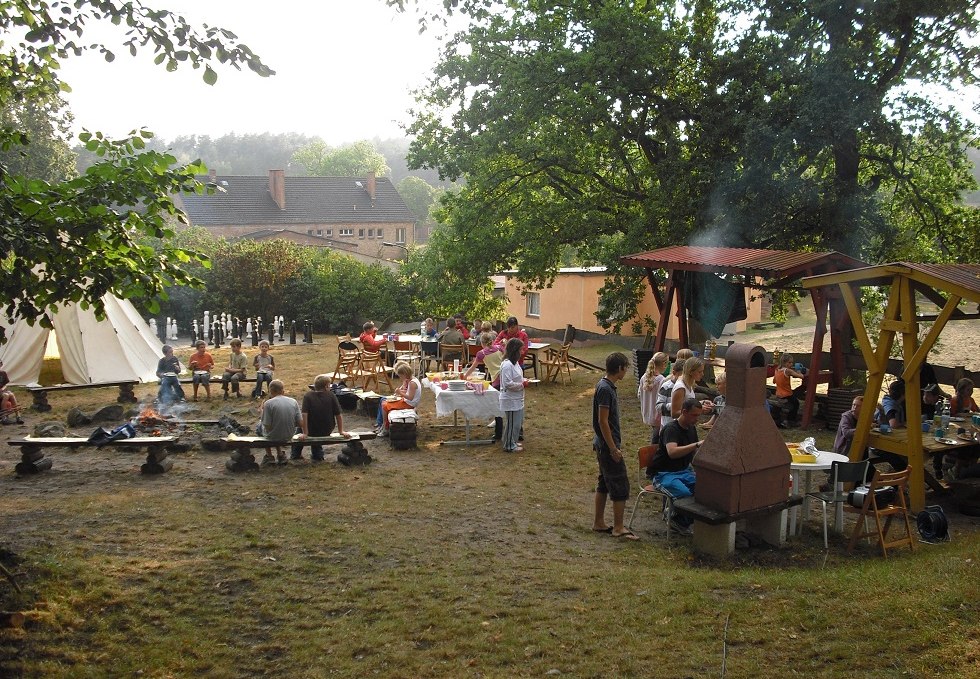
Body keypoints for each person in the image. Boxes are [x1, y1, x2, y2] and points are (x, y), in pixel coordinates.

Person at [591, 351, 638, 540]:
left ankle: (599, 523)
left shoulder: (606, 386)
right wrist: (612, 448)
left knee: (604, 483)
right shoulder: (605, 389)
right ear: (619, 368)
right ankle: (618, 527)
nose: (626, 371)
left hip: (604, 444)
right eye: (625, 368)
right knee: (620, 485)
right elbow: (603, 421)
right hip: (606, 446)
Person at [648, 397, 704, 535]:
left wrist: (700, 472)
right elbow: (672, 452)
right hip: (663, 474)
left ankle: (682, 519)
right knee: (684, 494)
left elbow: (694, 454)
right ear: (684, 412)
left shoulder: (691, 429)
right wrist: (695, 445)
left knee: (704, 489)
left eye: (699, 415)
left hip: (683, 471)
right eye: (694, 415)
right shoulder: (671, 429)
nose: (697, 419)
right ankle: (674, 518)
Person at [291, 374, 349, 461]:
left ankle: (296, 454)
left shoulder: (308, 396)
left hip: (311, 430)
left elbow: (304, 415)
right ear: (326, 386)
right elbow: (338, 415)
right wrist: (341, 431)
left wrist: (305, 433)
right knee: (317, 423)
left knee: (300, 429)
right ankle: (317, 455)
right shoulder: (331, 395)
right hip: (327, 429)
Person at [259, 379, 301, 465]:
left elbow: (267, 426)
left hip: (274, 436)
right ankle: (280, 454)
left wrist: (261, 413)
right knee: (276, 427)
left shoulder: (268, 403)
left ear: (270, 390)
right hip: (289, 435)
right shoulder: (293, 401)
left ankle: (269, 455)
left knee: (259, 426)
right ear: (283, 390)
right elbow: (300, 423)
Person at [375, 361, 422, 435]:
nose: (400, 378)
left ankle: (385, 427)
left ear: (404, 374)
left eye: (400, 376)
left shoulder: (412, 383)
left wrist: (400, 393)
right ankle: (383, 425)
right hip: (406, 401)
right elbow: (408, 392)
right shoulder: (411, 380)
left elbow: (410, 397)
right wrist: (400, 392)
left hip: (409, 404)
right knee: (385, 402)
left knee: (385, 405)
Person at [498, 337, 527, 453]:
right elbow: (507, 383)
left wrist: (524, 380)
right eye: (520, 350)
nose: (522, 352)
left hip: (517, 397)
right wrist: (522, 385)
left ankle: (512, 441)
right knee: (511, 423)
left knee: (517, 422)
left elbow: (518, 377)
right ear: (515, 350)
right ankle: (509, 445)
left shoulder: (515, 364)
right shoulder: (507, 365)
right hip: (509, 398)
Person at [670, 357, 713, 421]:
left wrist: (701, 402)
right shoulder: (680, 388)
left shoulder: (689, 383)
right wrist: (698, 410)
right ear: (690, 372)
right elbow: (674, 413)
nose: (702, 374)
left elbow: (686, 404)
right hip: (678, 426)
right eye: (699, 372)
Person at [638, 352, 668, 441]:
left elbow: (639, 394)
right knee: (656, 438)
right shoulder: (662, 380)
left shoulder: (644, 377)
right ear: (664, 364)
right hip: (657, 415)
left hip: (647, 413)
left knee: (656, 435)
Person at [772, 353, 806, 428]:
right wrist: (799, 371)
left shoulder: (777, 369)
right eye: (789, 362)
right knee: (796, 404)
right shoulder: (787, 371)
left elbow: (774, 381)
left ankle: (785, 419)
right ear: (784, 363)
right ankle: (791, 420)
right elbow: (801, 376)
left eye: (792, 362)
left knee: (794, 398)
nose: (791, 364)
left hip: (778, 394)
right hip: (786, 395)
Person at [0, 359, 23, 424]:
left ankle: (18, 416)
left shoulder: (3, 373)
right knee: (6, 395)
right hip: (1, 392)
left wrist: (3, 388)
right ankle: (4, 417)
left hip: (2, 391)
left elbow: (5, 385)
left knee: (11, 394)